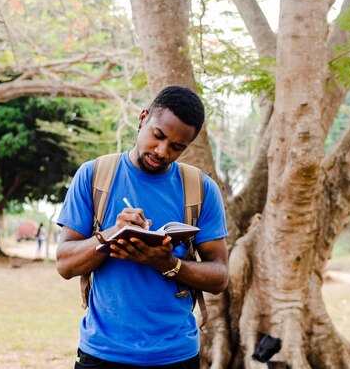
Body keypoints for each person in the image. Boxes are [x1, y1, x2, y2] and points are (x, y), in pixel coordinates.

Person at [56, 85, 229, 369]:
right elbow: (65, 264)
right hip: (102, 353)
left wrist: (168, 263)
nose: (162, 151)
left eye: (177, 147)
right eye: (158, 136)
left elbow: (219, 276)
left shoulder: (201, 190)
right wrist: (112, 234)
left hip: (176, 355)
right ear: (142, 118)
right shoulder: (94, 176)